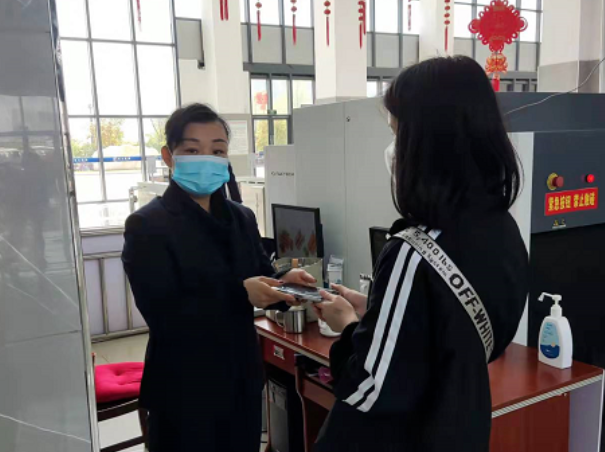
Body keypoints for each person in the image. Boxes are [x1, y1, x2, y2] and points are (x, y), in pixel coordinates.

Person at [314, 56, 529, 452]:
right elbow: (469, 340)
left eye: (398, 133)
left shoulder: (412, 252)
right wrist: (378, 313)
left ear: (428, 144)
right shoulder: (503, 231)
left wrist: (348, 326)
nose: (393, 150)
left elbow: (368, 388)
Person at [122, 104, 315, 452]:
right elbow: (163, 311)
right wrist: (242, 293)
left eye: (218, 151)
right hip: (184, 389)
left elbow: (260, 273)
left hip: (241, 380)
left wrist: (286, 283)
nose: (207, 159)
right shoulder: (148, 225)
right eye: (193, 150)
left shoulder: (242, 217)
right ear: (168, 156)